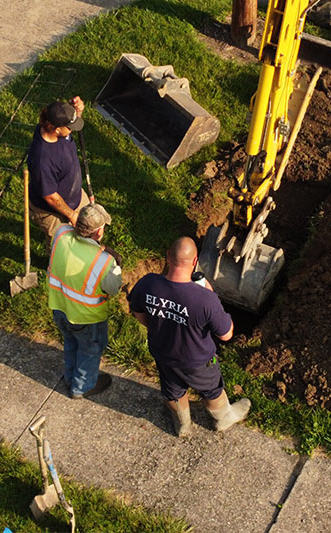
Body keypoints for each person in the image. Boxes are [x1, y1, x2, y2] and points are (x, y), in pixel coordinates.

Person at [129, 237, 250, 437]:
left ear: (168, 256)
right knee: (212, 389)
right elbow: (226, 334)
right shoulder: (206, 299)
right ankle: (224, 418)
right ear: (195, 262)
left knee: (172, 390)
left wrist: (158, 326)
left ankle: (182, 424)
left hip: (164, 353)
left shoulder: (148, 283)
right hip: (198, 361)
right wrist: (210, 294)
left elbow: (137, 311)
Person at [47, 203, 122, 399]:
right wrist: (116, 265)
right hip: (86, 318)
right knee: (89, 350)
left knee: (71, 342)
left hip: (59, 308)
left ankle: (70, 376)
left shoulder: (61, 233)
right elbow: (113, 288)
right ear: (98, 232)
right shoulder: (103, 261)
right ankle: (82, 387)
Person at [27, 96, 93, 255]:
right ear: (55, 128)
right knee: (61, 247)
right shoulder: (42, 159)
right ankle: (55, 264)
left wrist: (76, 113)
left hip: (75, 196)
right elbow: (50, 197)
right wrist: (72, 215)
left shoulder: (57, 131)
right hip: (51, 211)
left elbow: (69, 123)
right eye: (70, 127)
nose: (72, 130)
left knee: (89, 230)